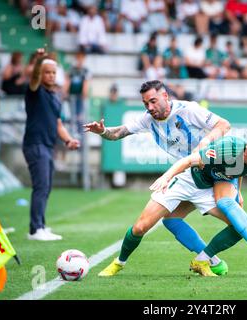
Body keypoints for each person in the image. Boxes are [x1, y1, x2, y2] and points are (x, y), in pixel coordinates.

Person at [83, 80, 234, 276]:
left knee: (237, 223)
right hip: (184, 175)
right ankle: (119, 263)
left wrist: (204, 143)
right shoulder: (147, 119)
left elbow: (224, 125)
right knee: (143, 226)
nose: (150, 107)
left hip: (209, 176)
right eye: (146, 103)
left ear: (165, 96)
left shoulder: (188, 110)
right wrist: (102, 131)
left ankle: (209, 258)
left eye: (153, 101)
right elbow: (119, 132)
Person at [149, 131, 247, 277]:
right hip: (195, 179)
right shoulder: (227, 148)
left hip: (217, 180)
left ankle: (205, 259)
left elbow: (240, 169)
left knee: (232, 217)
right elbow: (188, 161)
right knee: (170, 220)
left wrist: (239, 192)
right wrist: (165, 178)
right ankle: (214, 260)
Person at [23, 48, 80, 241]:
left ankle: (41, 225)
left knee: (45, 186)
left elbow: (58, 124)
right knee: (41, 186)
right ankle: (35, 230)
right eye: (47, 72)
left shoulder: (55, 97)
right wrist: (39, 60)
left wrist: (68, 139)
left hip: (47, 146)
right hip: (35, 144)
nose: (50, 75)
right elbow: (33, 77)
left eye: (53, 72)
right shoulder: (35, 91)